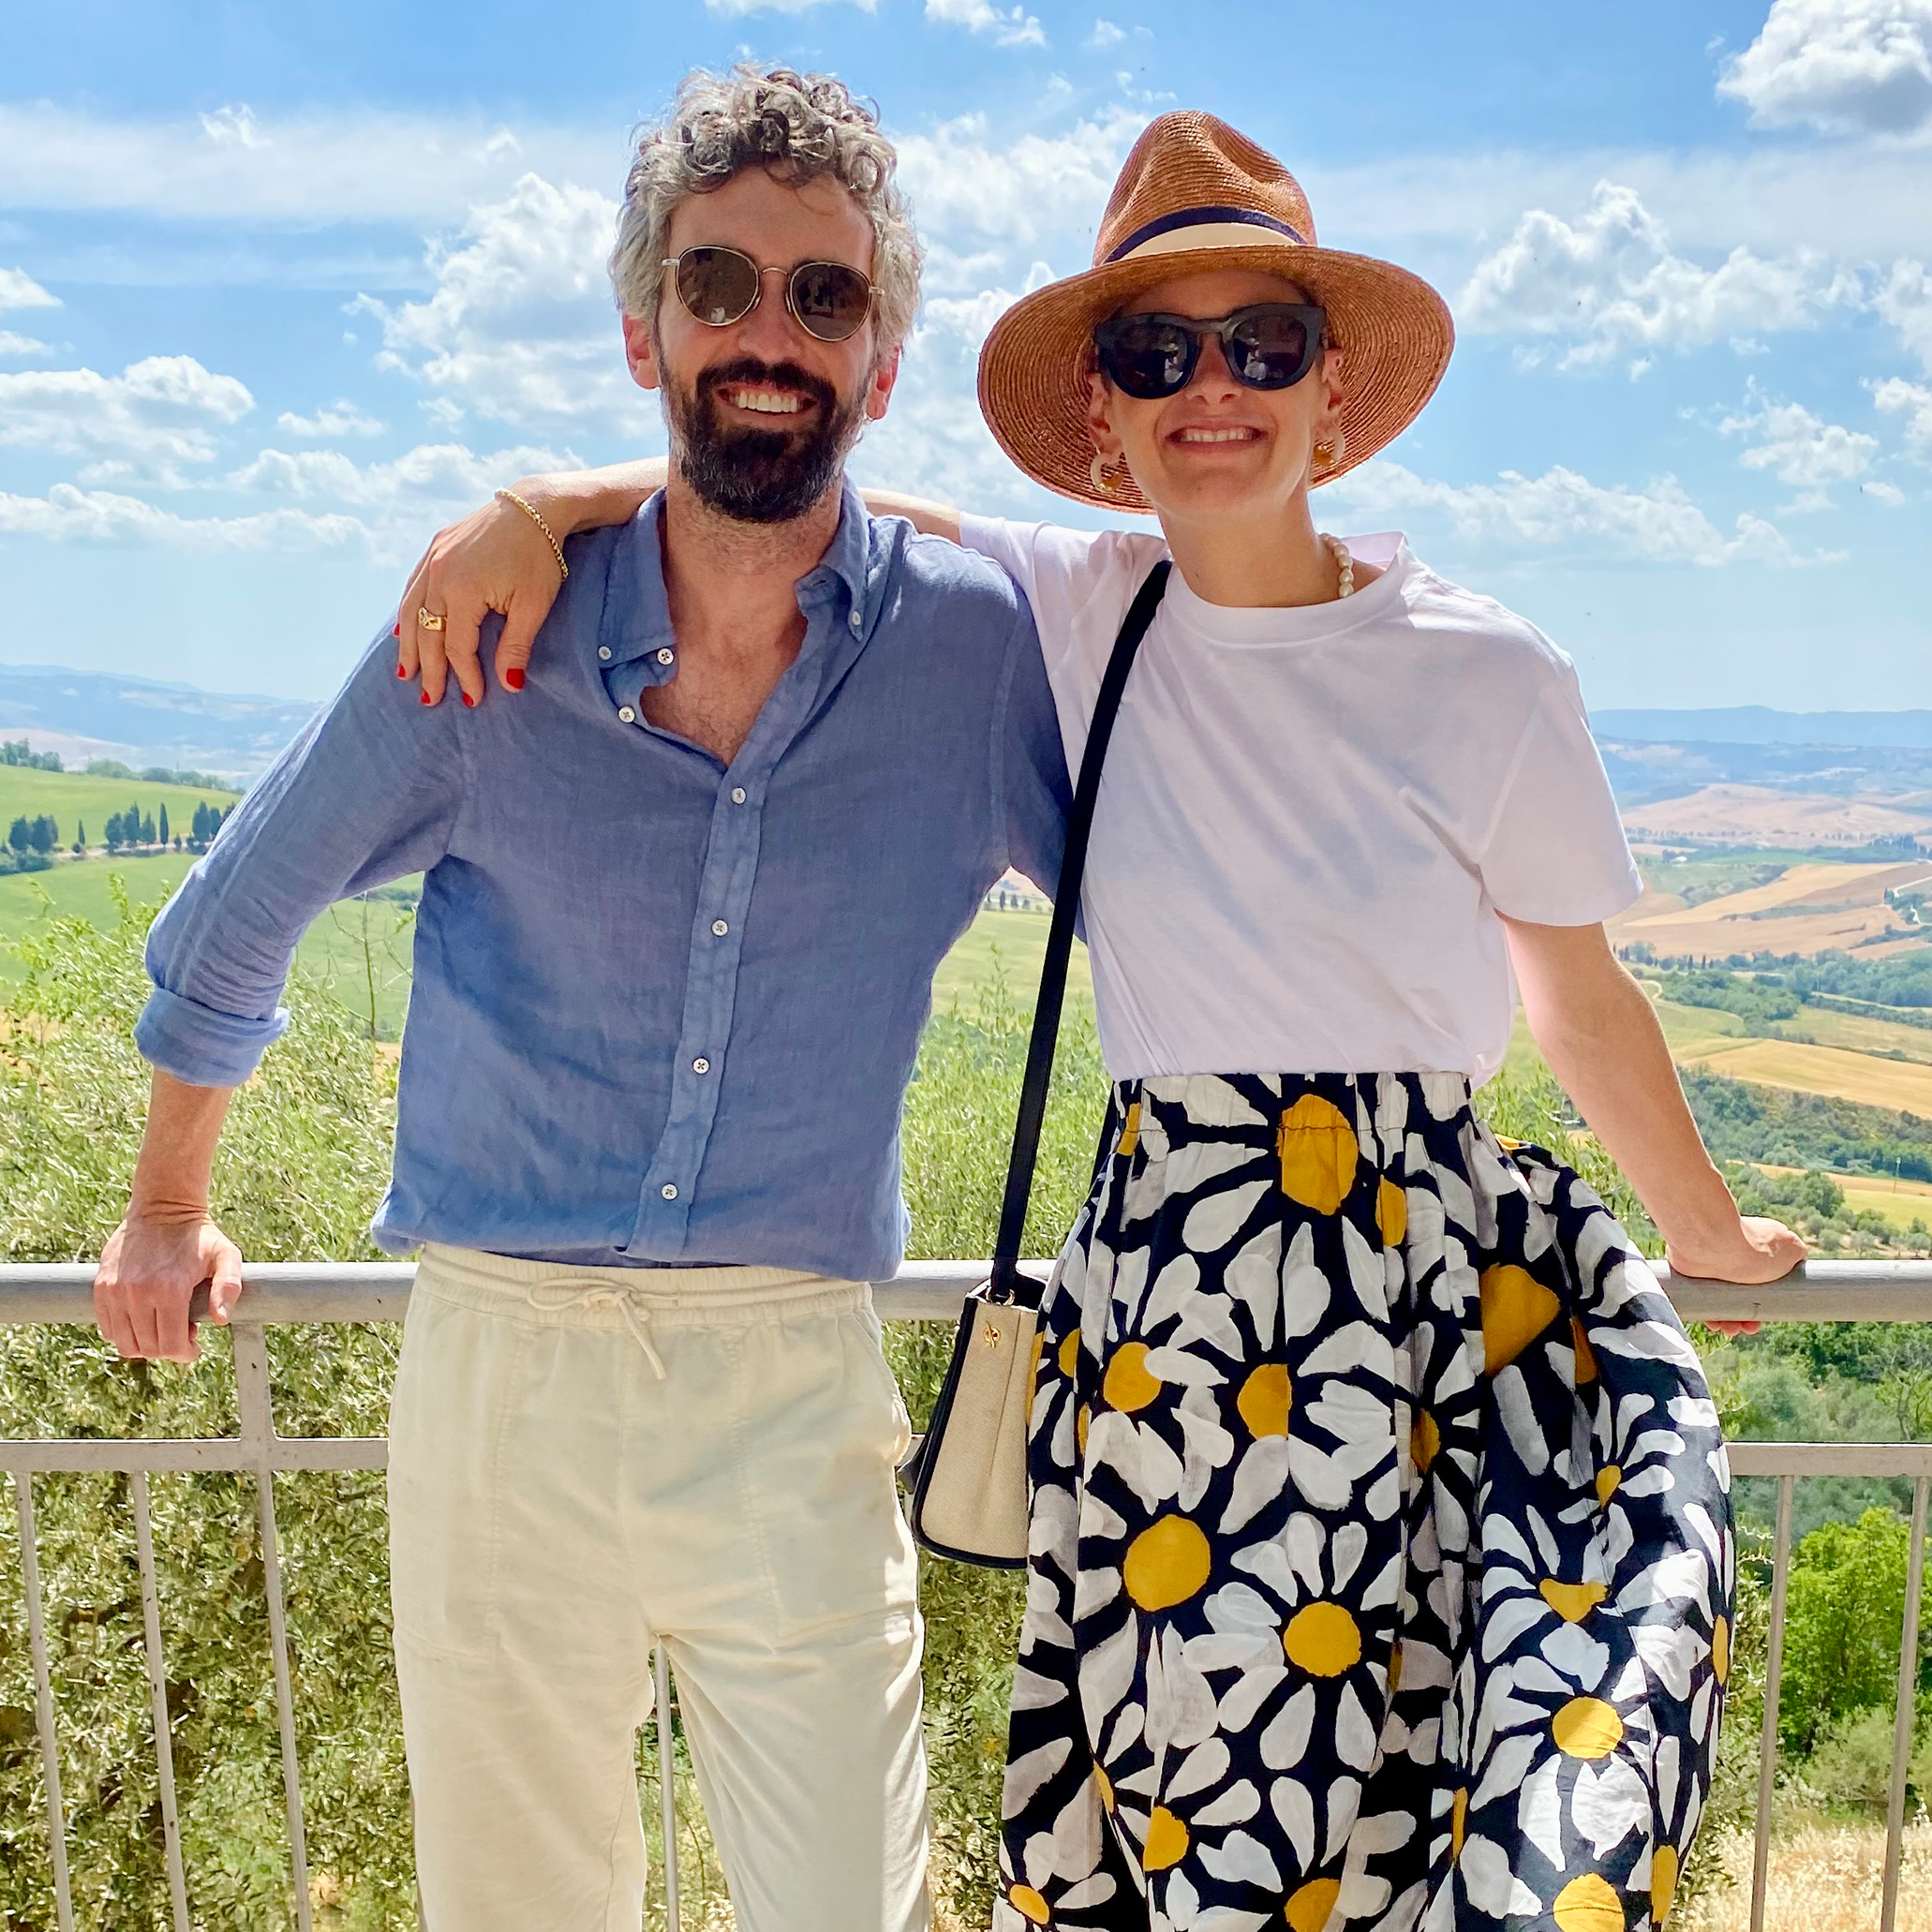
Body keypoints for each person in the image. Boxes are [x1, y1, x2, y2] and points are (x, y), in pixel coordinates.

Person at [401, 114, 1804, 1931]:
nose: (1207, 387)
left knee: (1476, 1806)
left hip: (1420, 1299)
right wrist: (532, 510)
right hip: (1177, 1327)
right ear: (1103, 418)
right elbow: (768, 487)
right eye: (1156, 352)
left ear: (1330, 395)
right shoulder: (1063, 609)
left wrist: (1697, 1226)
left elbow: (1578, 994)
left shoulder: (1489, 674)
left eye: (1258, 345)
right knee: (1212, 1825)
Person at [89, 67, 1074, 1932]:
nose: (765, 335)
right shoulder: (486, 640)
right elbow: (238, 912)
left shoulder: (969, 656)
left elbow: (1161, 896)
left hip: (793, 1381)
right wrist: (163, 1208)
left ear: (880, 358)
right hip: (502, 1378)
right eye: (718, 288)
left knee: (844, 1907)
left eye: (823, 298)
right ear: (644, 331)